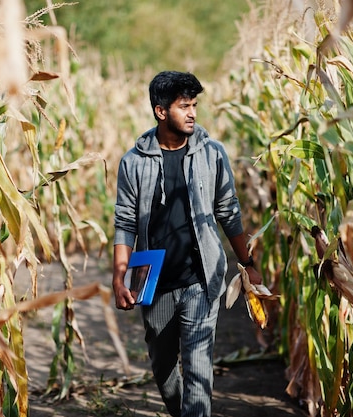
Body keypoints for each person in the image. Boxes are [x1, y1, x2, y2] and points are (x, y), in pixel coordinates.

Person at [112, 70, 263, 417]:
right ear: (161, 111)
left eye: (194, 105)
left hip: (202, 279)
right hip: (154, 282)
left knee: (198, 371)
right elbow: (125, 223)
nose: (193, 112)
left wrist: (248, 264)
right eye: (184, 106)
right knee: (165, 372)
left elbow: (228, 211)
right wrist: (120, 277)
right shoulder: (134, 162)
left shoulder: (212, 153)